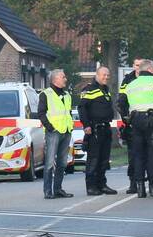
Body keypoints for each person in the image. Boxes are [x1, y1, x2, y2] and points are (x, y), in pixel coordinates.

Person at [119, 59, 153, 198]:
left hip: (135, 122)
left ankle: (140, 188)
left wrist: (126, 119)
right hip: (151, 121)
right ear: (149, 69)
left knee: (138, 155)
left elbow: (121, 103)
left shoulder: (130, 84)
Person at [78, 66, 117, 196]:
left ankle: (102, 184)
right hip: (94, 128)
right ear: (97, 75)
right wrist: (86, 125)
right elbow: (82, 108)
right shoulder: (89, 89)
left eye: (108, 75)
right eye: (104, 75)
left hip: (105, 127)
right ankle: (91, 186)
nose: (106, 77)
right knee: (93, 159)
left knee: (104, 159)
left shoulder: (105, 90)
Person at [38, 69, 74, 200]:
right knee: (49, 163)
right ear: (55, 79)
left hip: (66, 131)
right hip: (53, 132)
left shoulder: (67, 95)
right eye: (63, 77)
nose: (65, 79)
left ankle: (58, 189)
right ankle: (48, 191)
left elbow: (68, 112)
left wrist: (71, 127)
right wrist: (50, 128)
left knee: (62, 163)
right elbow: (41, 113)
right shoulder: (45, 94)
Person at [117, 58, 144, 194]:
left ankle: (151, 182)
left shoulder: (150, 78)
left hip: (147, 122)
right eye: (136, 65)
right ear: (133, 66)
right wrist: (126, 119)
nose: (138, 68)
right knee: (133, 155)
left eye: (141, 65)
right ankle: (133, 182)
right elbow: (121, 100)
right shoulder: (127, 80)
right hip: (132, 123)